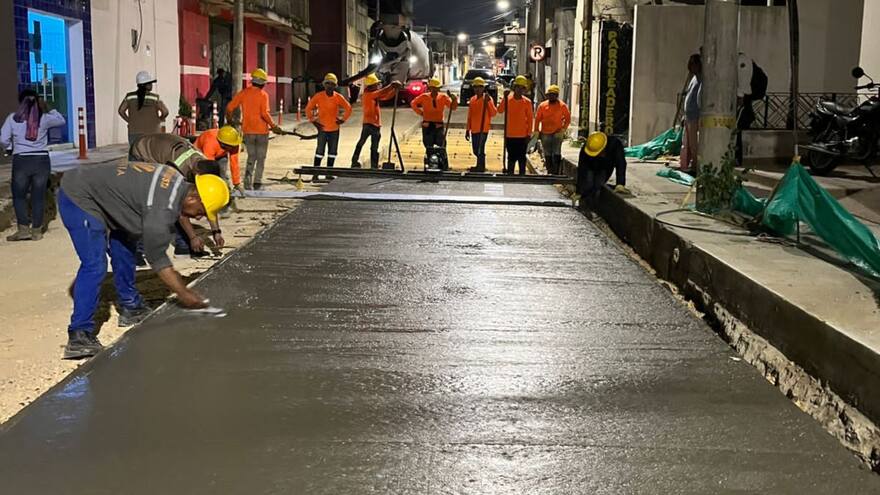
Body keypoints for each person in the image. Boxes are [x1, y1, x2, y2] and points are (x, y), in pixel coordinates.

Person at [58, 162, 229, 359]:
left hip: (109, 196)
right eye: (201, 211)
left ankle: (130, 307)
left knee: (126, 243)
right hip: (80, 196)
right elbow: (158, 258)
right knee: (95, 265)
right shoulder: (161, 208)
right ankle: (79, 335)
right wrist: (184, 293)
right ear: (193, 197)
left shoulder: (176, 182)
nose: (200, 217)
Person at [128, 128, 241, 255]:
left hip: (164, 150)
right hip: (143, 152)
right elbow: (178, 206)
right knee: (149, 202)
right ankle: (138, 249)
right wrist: (193, 237)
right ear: (197, 175)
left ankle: (182, 246)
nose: (199, 217)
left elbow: (208, 202)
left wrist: (216, 231)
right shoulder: (178, 171)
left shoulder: (203, 163)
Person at [1, 89, 66, 241]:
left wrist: (9, 148)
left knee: (19, 196)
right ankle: (37, 231)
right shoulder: (44, 118)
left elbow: (3, 139)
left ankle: (23, 229)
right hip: (41, 161)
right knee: (38, 196)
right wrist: (48, 106)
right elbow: (61, 120)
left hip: (21, 161)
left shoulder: (13, 119)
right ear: (37, 101)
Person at [226, 68, 283, 189]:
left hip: (248, 131)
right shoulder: (263, 95)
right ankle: (257, 182)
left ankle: (247, 181)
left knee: (251, 156)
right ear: (262, 83)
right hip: (262, 132)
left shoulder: (244, 93)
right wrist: (274, 126)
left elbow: (229, 108)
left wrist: (230, 121)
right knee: (261, 158)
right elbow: (264, 114)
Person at [351, 74, 401, 168]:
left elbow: (386, 96)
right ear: (371, 85)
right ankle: (354, 161)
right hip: (369, 124)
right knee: (362, 142)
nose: (378, 86)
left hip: (376, 125)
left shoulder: (374, 94)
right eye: (376, 84)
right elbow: (382, 92)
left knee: (374, 146)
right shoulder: (368, 95)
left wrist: (395, 90)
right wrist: (391, 85)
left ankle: (373, 165)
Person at [305, 73, 353, 168]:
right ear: (324, 84)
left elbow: (348, 108)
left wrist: (343, 120)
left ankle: (329, 173)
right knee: (319, 152)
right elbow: (308, 108)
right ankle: (316, 173)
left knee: (332, 152)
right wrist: (314, 121)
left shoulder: (338, 97)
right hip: (322, 129)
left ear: (335, 86)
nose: (330, 86)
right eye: (328, 83)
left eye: (332, 84)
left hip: (334, 129)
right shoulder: (319, 96)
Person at [577, 131, 629, 216]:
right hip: (590, 165)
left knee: (598, 186)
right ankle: (585, 207)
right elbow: (582, 169)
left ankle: (594, 209)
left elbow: (621, 163)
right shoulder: (587, 148)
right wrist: (578, 190)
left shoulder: (615, 145)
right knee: (587, 184)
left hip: (605, 167)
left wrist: (620, 183)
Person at [118, 71, 169, 150]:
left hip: (134, 132)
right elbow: (165, 112)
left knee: (135, 155)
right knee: (152, 156)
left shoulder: (129, 96)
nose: (152, 85)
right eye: (150, 83)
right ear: (146, 85)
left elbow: (121, 111)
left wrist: (130, 121)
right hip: (153, 132)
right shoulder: (155, 97)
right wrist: (159, 119)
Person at [498, 75, 534, 175]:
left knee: (522, 156)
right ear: (514, 87)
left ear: (524, 90)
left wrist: (528, 134)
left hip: (522, 135)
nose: (519, 90)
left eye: (522, 88)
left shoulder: (527, 102)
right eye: (518, 87)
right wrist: (504, 98)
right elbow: (500, 110)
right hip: (510, 134)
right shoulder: (508, 99)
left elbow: (530, 119)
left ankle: (522, 174)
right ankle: (510, 173)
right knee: (511, 156)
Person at [736, 52, 767, 166]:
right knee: (737, 131)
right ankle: (737, 157)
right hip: (744, 104)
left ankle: (737, 158)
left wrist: (740, 98)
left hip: (743, 104)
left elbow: (743, 85)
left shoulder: (742, 61)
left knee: (737, 131)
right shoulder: (740, 60)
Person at [411, 78, 458, 153]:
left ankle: (442, 161)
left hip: (438, 125)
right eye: (433, 88)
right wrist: (420, 112)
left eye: (436, 88)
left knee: (441, 146)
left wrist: (454, 100)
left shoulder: (443, 97)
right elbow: (413, 103)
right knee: (428, 147)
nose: (434, 90)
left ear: (439, 88)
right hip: (427, 125)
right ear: (430, 88)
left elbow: (453, 107)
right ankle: (430, 161)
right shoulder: (424, 97)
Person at [533, 84, 571, 175]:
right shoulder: (542, 106)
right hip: (545, 133)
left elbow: (568, 118)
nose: (551, 96)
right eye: (549, 94)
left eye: (553, 94)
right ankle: (550, 171)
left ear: (557, 95)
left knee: (556, 151)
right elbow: (537, 119)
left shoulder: (562, 106)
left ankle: (556, 172)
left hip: (557, 133)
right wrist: (536, 131)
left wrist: (563, 130)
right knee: (547, 152)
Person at [465, 77, 497, 172]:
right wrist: (467, 129)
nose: (477, 89)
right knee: (475, 149)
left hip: (483, 129)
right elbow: (470, 116)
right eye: (475, 87)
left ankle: (481, 166)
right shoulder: (472, 100)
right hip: (474, 129)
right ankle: (479, 165)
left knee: (480, 148)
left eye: (480, 87)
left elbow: (494, 113)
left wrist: (488, 103)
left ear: (483, 88)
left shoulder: (487, 99)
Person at [679, 54, 702, 174]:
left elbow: (699, 99)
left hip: (695, 116)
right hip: (689, 116)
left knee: (694, 144)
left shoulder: (702, 79)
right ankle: (686, 164)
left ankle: (695, 167)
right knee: (687, 143)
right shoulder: (694, 79)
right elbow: (689, 96)